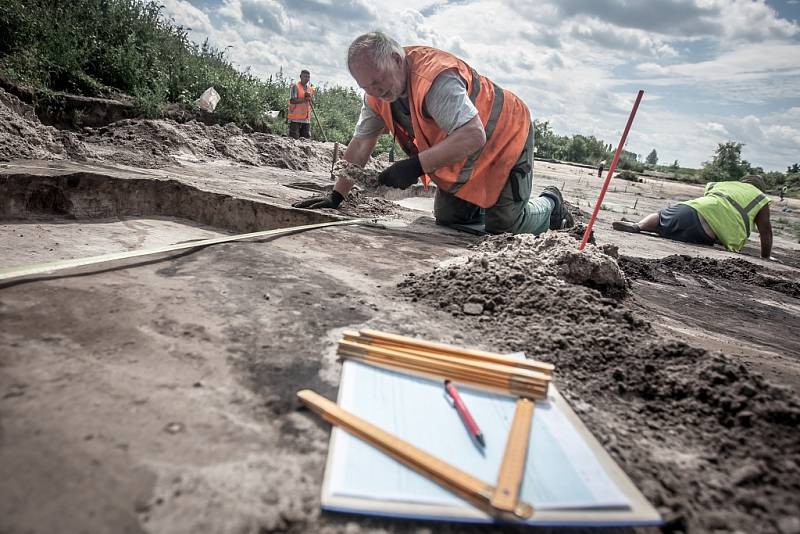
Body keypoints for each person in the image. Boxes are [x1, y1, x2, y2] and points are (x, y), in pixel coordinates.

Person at [293, 32, 573, 235]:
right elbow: (362, 142)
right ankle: (495, 205)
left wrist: (415, 166)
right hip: (470, 153)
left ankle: (550, 203)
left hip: (506, 135)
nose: (375, 91)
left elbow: (474, 135)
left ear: (395, 59)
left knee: (505, 227)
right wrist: (337, 196)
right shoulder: (376, 95)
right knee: (449, 217)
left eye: (378, 81)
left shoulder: (435, 80)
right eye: (366, 86)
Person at [612, 175, 774, 259]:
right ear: (760, 188)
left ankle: (639, 226)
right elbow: (765, 231)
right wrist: (765, 256)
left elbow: (710, 202)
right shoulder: (760, 198)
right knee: (712, 231)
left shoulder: (726, 184)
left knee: (661, 216)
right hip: (702, 232)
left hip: (687, 210)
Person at [288, 70, 314, 139]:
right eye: (305, 77)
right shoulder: (295, 86)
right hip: (295, 118)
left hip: (306, 118)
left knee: (306, 139)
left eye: (308, 77)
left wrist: (310, 98)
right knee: (294, 138)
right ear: (300, 77)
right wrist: (304, 99)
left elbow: (312, 102)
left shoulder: (310, 89)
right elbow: (292, 100)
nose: (307, 79)